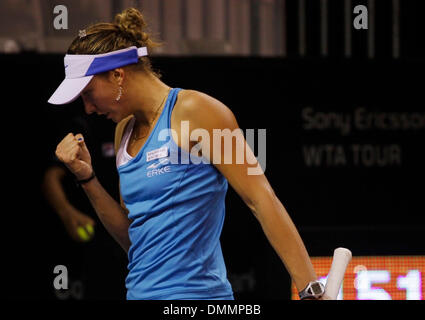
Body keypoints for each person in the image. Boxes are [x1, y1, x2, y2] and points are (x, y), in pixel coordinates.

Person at [48, 8, 328, 300]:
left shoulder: (198, 112)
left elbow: (261, 199)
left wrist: (310, 290)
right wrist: (88, 178)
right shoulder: (123, 132)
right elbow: (135, 241)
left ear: (118, 75)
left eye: (88, 93)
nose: (88, 109)